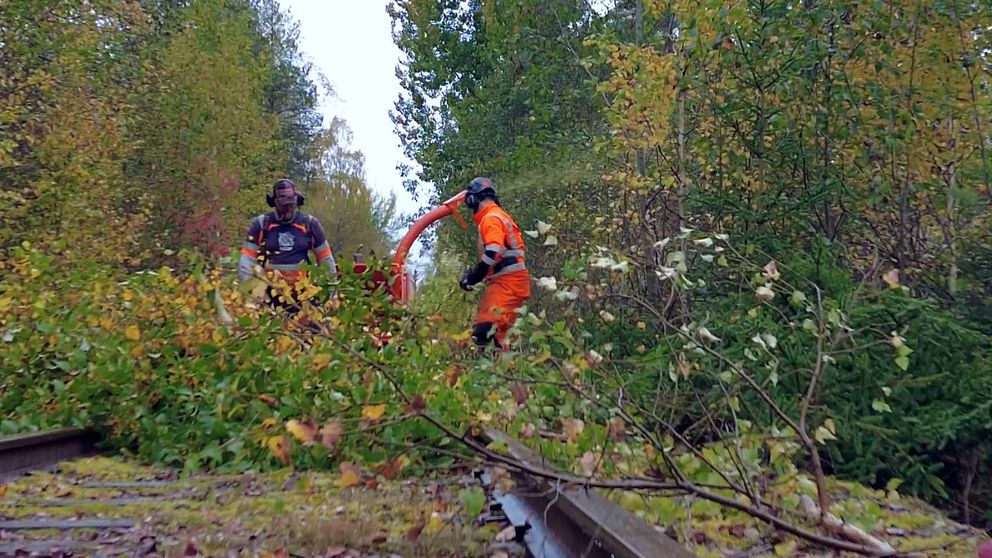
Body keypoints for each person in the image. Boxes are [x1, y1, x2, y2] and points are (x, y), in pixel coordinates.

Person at [238, 179, 337, 312]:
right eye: (283, 206)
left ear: (296, 201)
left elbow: (326, 262)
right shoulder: (262, 224)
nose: (287, 212)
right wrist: (254, 296)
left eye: (290, 206)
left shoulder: (310, 224)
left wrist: (329, 295)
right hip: (270, 300)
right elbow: (246, 262)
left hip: (304, 299)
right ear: (274, 203)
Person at [458, 177, 531, 349]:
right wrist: (474, 275)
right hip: (508, 282)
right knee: (499, 337)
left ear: (473, 199)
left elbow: (494, 250)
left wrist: (475, 276)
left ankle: (484, 373)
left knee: (484, 331)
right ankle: (505, 372)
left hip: (508, 284)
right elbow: (498, 256)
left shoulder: (490, 218)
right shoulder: (498, 216)